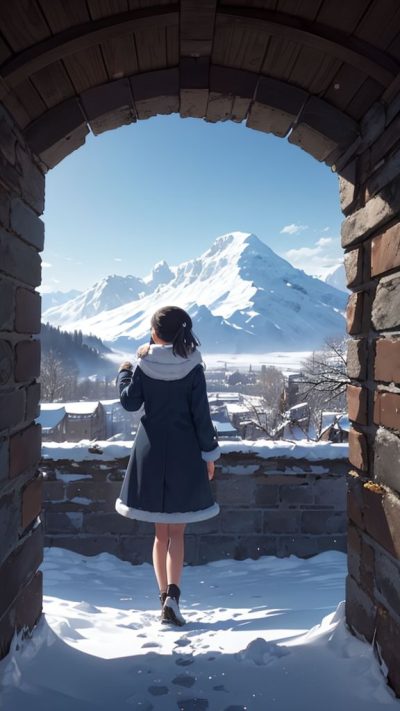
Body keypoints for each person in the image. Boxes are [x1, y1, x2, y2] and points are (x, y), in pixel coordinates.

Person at [115, 305, 220, 626]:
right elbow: (202, 416)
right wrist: (210, 455)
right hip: (186, 454)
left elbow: (130, 401)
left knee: (160, 534)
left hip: (151, 451)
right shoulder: (193, 367)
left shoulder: (144, 364)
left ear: (156, 332)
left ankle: (163, 598)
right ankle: (174, 597)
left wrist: (126, 369)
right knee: (178, 532)